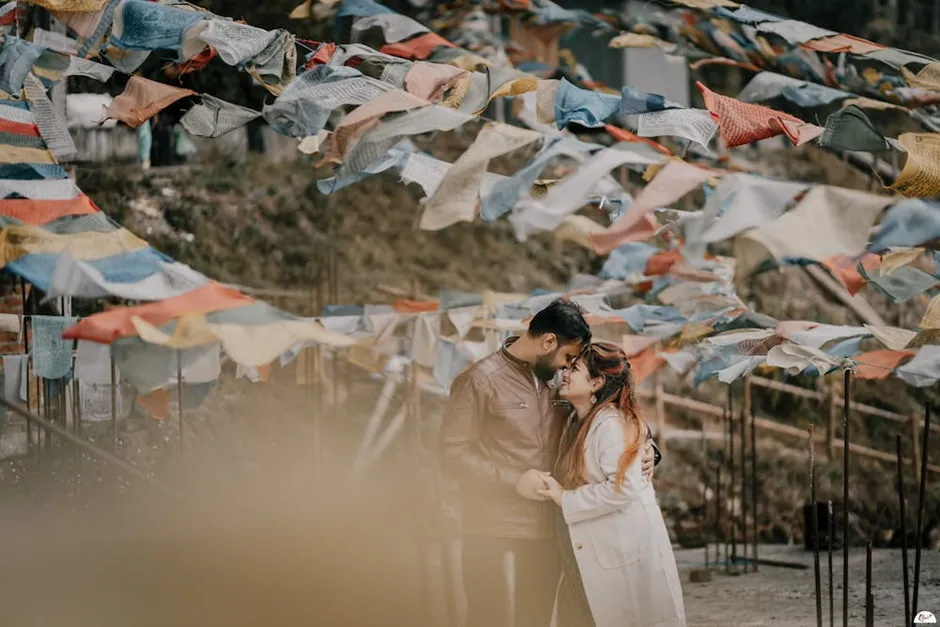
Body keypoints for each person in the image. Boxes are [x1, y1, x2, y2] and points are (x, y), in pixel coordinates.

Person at [441, 300, 659, 627]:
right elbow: (451, 452)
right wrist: (514, 480)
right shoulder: (479, 380)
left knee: (536, 620)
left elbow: (612, 408)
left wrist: (647, 446)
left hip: (550, 531)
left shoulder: (564, 382)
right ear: (548, 342)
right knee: (488, 619)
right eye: (567, 358)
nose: (567, 368)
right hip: (490, 529)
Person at [533, 342, 685, 627]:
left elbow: (622, 488)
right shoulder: (577, 419)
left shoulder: (612, 423)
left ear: (596, 382)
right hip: (587, 551)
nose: (565, 373)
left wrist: (564, 498)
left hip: (617, 549)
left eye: (575, 369)